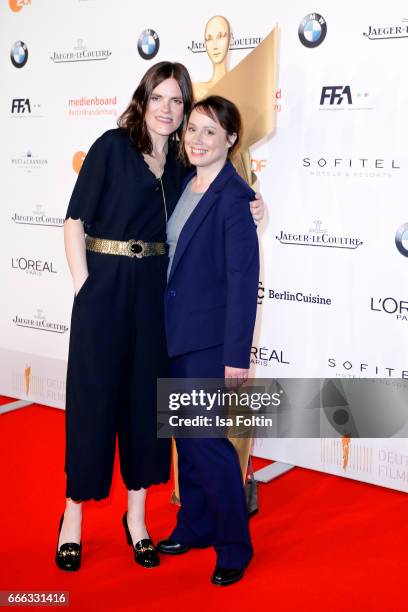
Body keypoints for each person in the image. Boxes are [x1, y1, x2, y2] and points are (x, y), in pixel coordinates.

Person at [57, 62, 264, 572]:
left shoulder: (180, 164)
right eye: (161, 99)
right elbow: (74, 219)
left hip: (155, 308)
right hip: (104, 296)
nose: (170, 112)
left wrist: (257, 205)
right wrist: (87, 290)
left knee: (150, 420)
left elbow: (222, 197)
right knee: (93, 406)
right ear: (143, 99)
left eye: (179, 102)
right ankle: (71, 520)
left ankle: (140, 521)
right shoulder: (111, 146)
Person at [157, 96, 259, 587]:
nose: (196, 140)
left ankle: (235, 544)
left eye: (209, 133)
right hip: (172, 333)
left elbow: (244, 282)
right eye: (191, 130)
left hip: (208, 343)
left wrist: (236, 357)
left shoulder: (234, 198)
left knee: (209, 445)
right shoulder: (182, 184)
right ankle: (193, 524)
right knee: (186, 440)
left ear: (230, 141)